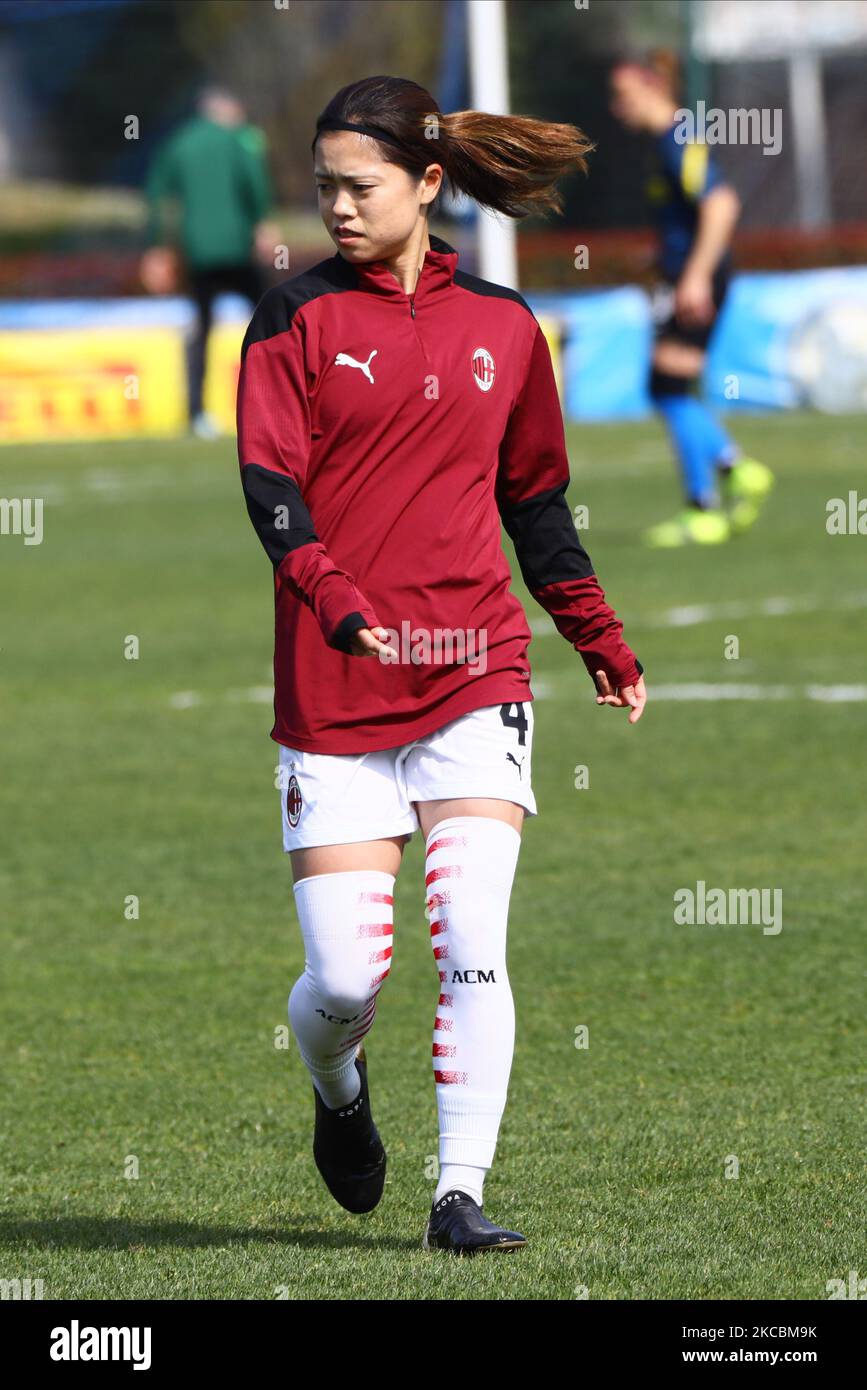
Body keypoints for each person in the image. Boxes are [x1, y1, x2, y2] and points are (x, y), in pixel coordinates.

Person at [236, 75, 647, 1256]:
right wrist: (332, 596)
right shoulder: (292, 317)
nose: (337, 207)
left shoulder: (508, 329)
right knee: (345, 978)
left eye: (359, 186)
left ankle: (457, 1192)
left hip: (476, 670)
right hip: (338, 687)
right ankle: (339, 1091)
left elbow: (538, 505)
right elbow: (270, 489)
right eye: (323, 188)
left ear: (427, 183)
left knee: (472, 939)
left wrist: (596, 637)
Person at [609, 54, 774, 547]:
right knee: (670, 388)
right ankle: (727, 477)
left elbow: (722, 204)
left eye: (623, 94)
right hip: (686, 277)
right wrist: (664, 257)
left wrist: (696, 275)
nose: (616, 107)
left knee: (668, 388)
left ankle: (716, 491)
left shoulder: (680, 136)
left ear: (653, 86)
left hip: (699, 282)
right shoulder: (666, 142)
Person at [141, 85, 279, 438]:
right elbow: (256, 184)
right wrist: (264, 223)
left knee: (201, 331)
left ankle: (197, 414)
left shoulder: (179, 142)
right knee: (272, 323)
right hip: (238, 249)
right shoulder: (240, 139)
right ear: (225, 109)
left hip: (197, 253)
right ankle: (282, 403)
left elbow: (156, 193)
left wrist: (157, 245)